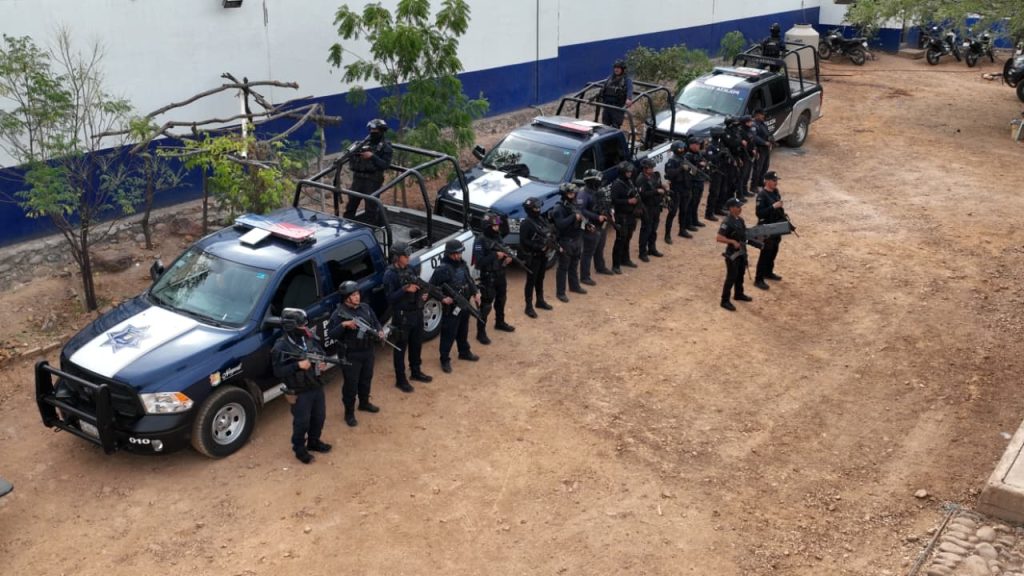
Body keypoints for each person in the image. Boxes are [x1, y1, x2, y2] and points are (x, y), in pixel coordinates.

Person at [272, 308, 331, 463]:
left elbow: (320, 352)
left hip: (316, 385)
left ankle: (314, 442)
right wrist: (297, 365)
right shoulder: (281, 346)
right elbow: (278, 371)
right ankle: (299, 450)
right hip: (299, 391)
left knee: (319, 417)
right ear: (291, 327)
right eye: (301, 325)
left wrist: (322, 363)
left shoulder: (308, 338)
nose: (305, 328)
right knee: (302, 422)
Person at [329, 281, 384, 427]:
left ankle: (364, 403)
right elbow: (331, 334)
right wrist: (344, 325)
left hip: (368, 351)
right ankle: (349, 413)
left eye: (357, 294)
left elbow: (375, 321)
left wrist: (379, 330)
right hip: (351, 355)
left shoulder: (365, 307)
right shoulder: (338, 314)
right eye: (353, 295)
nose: (357, 297)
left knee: (366, 379)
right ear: (346, 297)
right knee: (351, 385)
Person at [382, 243, 432, 393]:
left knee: (416, 344)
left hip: (416, 312)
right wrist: (404, 289)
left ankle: (416, 371)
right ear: (397, 257)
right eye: (405, 256)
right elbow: (390, 298)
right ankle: (401, 379)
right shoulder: (390, 275)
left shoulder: (410, 268)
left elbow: (418, 285)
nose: (408, 258)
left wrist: (423, 295)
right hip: (402, 316)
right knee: (400, 348)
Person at [429, 239, 480, 374]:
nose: (458, 256)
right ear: (449, 254)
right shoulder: (442, 269)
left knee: (463, 330)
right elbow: (432, 288)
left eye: (459, 253)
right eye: (455, 254)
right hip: (451, 308)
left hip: (464, 303)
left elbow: (469, 280)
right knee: (448, 334)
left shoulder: (462, 264)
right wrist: (443, 298)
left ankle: (464, 351)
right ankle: (444, 359)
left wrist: (475, 292)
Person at [474, 213, 516, 344]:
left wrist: (508, 257)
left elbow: (504, 247)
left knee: (501, 300)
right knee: (486, 306)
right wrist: (495, 255)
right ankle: (481, 332)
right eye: (494, 226)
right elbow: (479, 263)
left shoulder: (497, 236)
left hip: (500, 273)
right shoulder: (480, 241)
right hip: (488, 276)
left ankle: (500, 322)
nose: (497, 228)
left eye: (498, 225)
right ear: (487, 226)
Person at [343, 118, 394, 223]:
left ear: (382, 131)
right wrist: (355, 152)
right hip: (358, 179)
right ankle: (346, 226)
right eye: (371, 130)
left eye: (375, 130)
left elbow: (385, 165)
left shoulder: (386, 147)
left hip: (372, 181)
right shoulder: (363, 143)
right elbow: (349, 155)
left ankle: (370, 228)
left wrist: (372, 156)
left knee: (371, 208)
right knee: (351, 205)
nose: (372, 132)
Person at [551, 182, 588, 302]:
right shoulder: (558, 208)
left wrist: (587, 225)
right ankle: (560, 292)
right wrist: (573, 217)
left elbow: (580, 217)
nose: (573, 195)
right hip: (565, 241)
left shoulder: (573, 204)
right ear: (564, 194)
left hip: (576, 239)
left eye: (574, 193)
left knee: (574, 264)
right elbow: (560, 225)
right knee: (563, 267)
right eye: (570, 193)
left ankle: (574, 286)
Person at [716, 198, 754, 311]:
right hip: (732, 254)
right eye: (738, 207)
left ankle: (738, 293)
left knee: (740, 274)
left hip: (742, 251)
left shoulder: (740, 220)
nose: (740, 208)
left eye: (740, 206)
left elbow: (744, 234)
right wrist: (732, 241)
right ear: (731, 208)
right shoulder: (727, 222)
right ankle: (724, 300)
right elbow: (719, 237)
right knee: (731, 277)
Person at [519, 196, 554, 317]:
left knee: (540, 278)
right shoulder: (526, 223)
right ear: (529, 209)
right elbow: (524, 241)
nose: (538, 210)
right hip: (533, 256)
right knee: (531, 281)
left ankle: (540, 300)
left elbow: (547, 232)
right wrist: (538, 247)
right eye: (535, 208)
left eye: (539, 207)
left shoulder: (540, 219)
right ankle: (528, 306)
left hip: (543, 255)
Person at [754, 171, 788, 290]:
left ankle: (768, 272)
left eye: (776, 180)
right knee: (765, 253)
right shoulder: (761, 196)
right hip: (766, 227)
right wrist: (773, 207)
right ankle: (758, 279)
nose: (776, 182)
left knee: (774, 250)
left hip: (776, 226)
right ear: (767, 181)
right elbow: (759, 213)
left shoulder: (775, 192)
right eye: (774, 180)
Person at [576, 171, 607, 285]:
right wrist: (596, 217)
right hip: (590, 226)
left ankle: (600, 267)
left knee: (600, 247)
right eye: (597, 180)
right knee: (588, 252)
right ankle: (585, 277)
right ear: (591, 181)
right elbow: (580, 210)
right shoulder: (583, 194)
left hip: (601, 224)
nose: (600, 182)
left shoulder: (597, 191)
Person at [610, 161, 641, 273]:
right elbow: (614, 201)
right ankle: (616, 265)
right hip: (621, 216)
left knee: (628, 238)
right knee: (620, 240)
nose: (629, 173)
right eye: (627, 172)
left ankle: (625, 259)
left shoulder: (629, 181)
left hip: (631, 215)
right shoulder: (617, 184)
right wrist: (628, 201)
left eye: (630, 171)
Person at [634, 158, 666, 262]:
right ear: (644, 168)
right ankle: (642, 252)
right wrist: (656, 191)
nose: (652, 169)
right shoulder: (640, 179)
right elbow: (642, 194)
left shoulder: (654, 175)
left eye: (652, 167)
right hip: (646, 207)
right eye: (650, 168)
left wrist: (663, 187)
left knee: (653, 229)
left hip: (656, 206)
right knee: (646, 230)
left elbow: (658, 185)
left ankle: (652, 249)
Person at [662, 141, 692, 244]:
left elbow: (692, 171)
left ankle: (682, 230)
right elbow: (670, 174)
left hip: (685, 188)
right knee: (672, 212)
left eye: (683, 148)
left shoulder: (684, 159)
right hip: (676, 189)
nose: (682, 150)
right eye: (680, 148)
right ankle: (667, 235)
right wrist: (680, 168)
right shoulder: (672, 161)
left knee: (684, 210)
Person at [682, 136, 710, 233]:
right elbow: (686, 168)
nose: (698, 146)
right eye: (696, 144)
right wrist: (698, 166)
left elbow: (704, 161)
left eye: (699, 144)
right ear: (691, 145)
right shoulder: (687, 155)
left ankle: (694, 220)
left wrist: (703, 164)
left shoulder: (698, 153)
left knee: (696, 202)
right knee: (691, 203)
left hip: (699, 180)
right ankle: (688, 223)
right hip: (692, 182)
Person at [598, 60, 634, 129]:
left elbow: (630, 89)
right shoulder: (610, 78)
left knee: (615, 127)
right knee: (605, 126)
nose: (616, 69)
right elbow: (603, 88)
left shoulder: (626, 80)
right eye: (615, 67)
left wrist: (629, 98)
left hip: (617, 108)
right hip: (607, 106)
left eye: (618, 68)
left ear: (622, 69)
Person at [749, 109, 774, 194]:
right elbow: (754, 137)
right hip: (759, 148)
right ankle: (753, 186)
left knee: (765, 166)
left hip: (766, 149)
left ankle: (760, 181)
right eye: (762, 114)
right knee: (758, 168)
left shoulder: (762, 123)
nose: (763, 116)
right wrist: (764, 142)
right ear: (757, 115)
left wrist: (770, 140)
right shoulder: (754, 124)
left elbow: (767, 133)